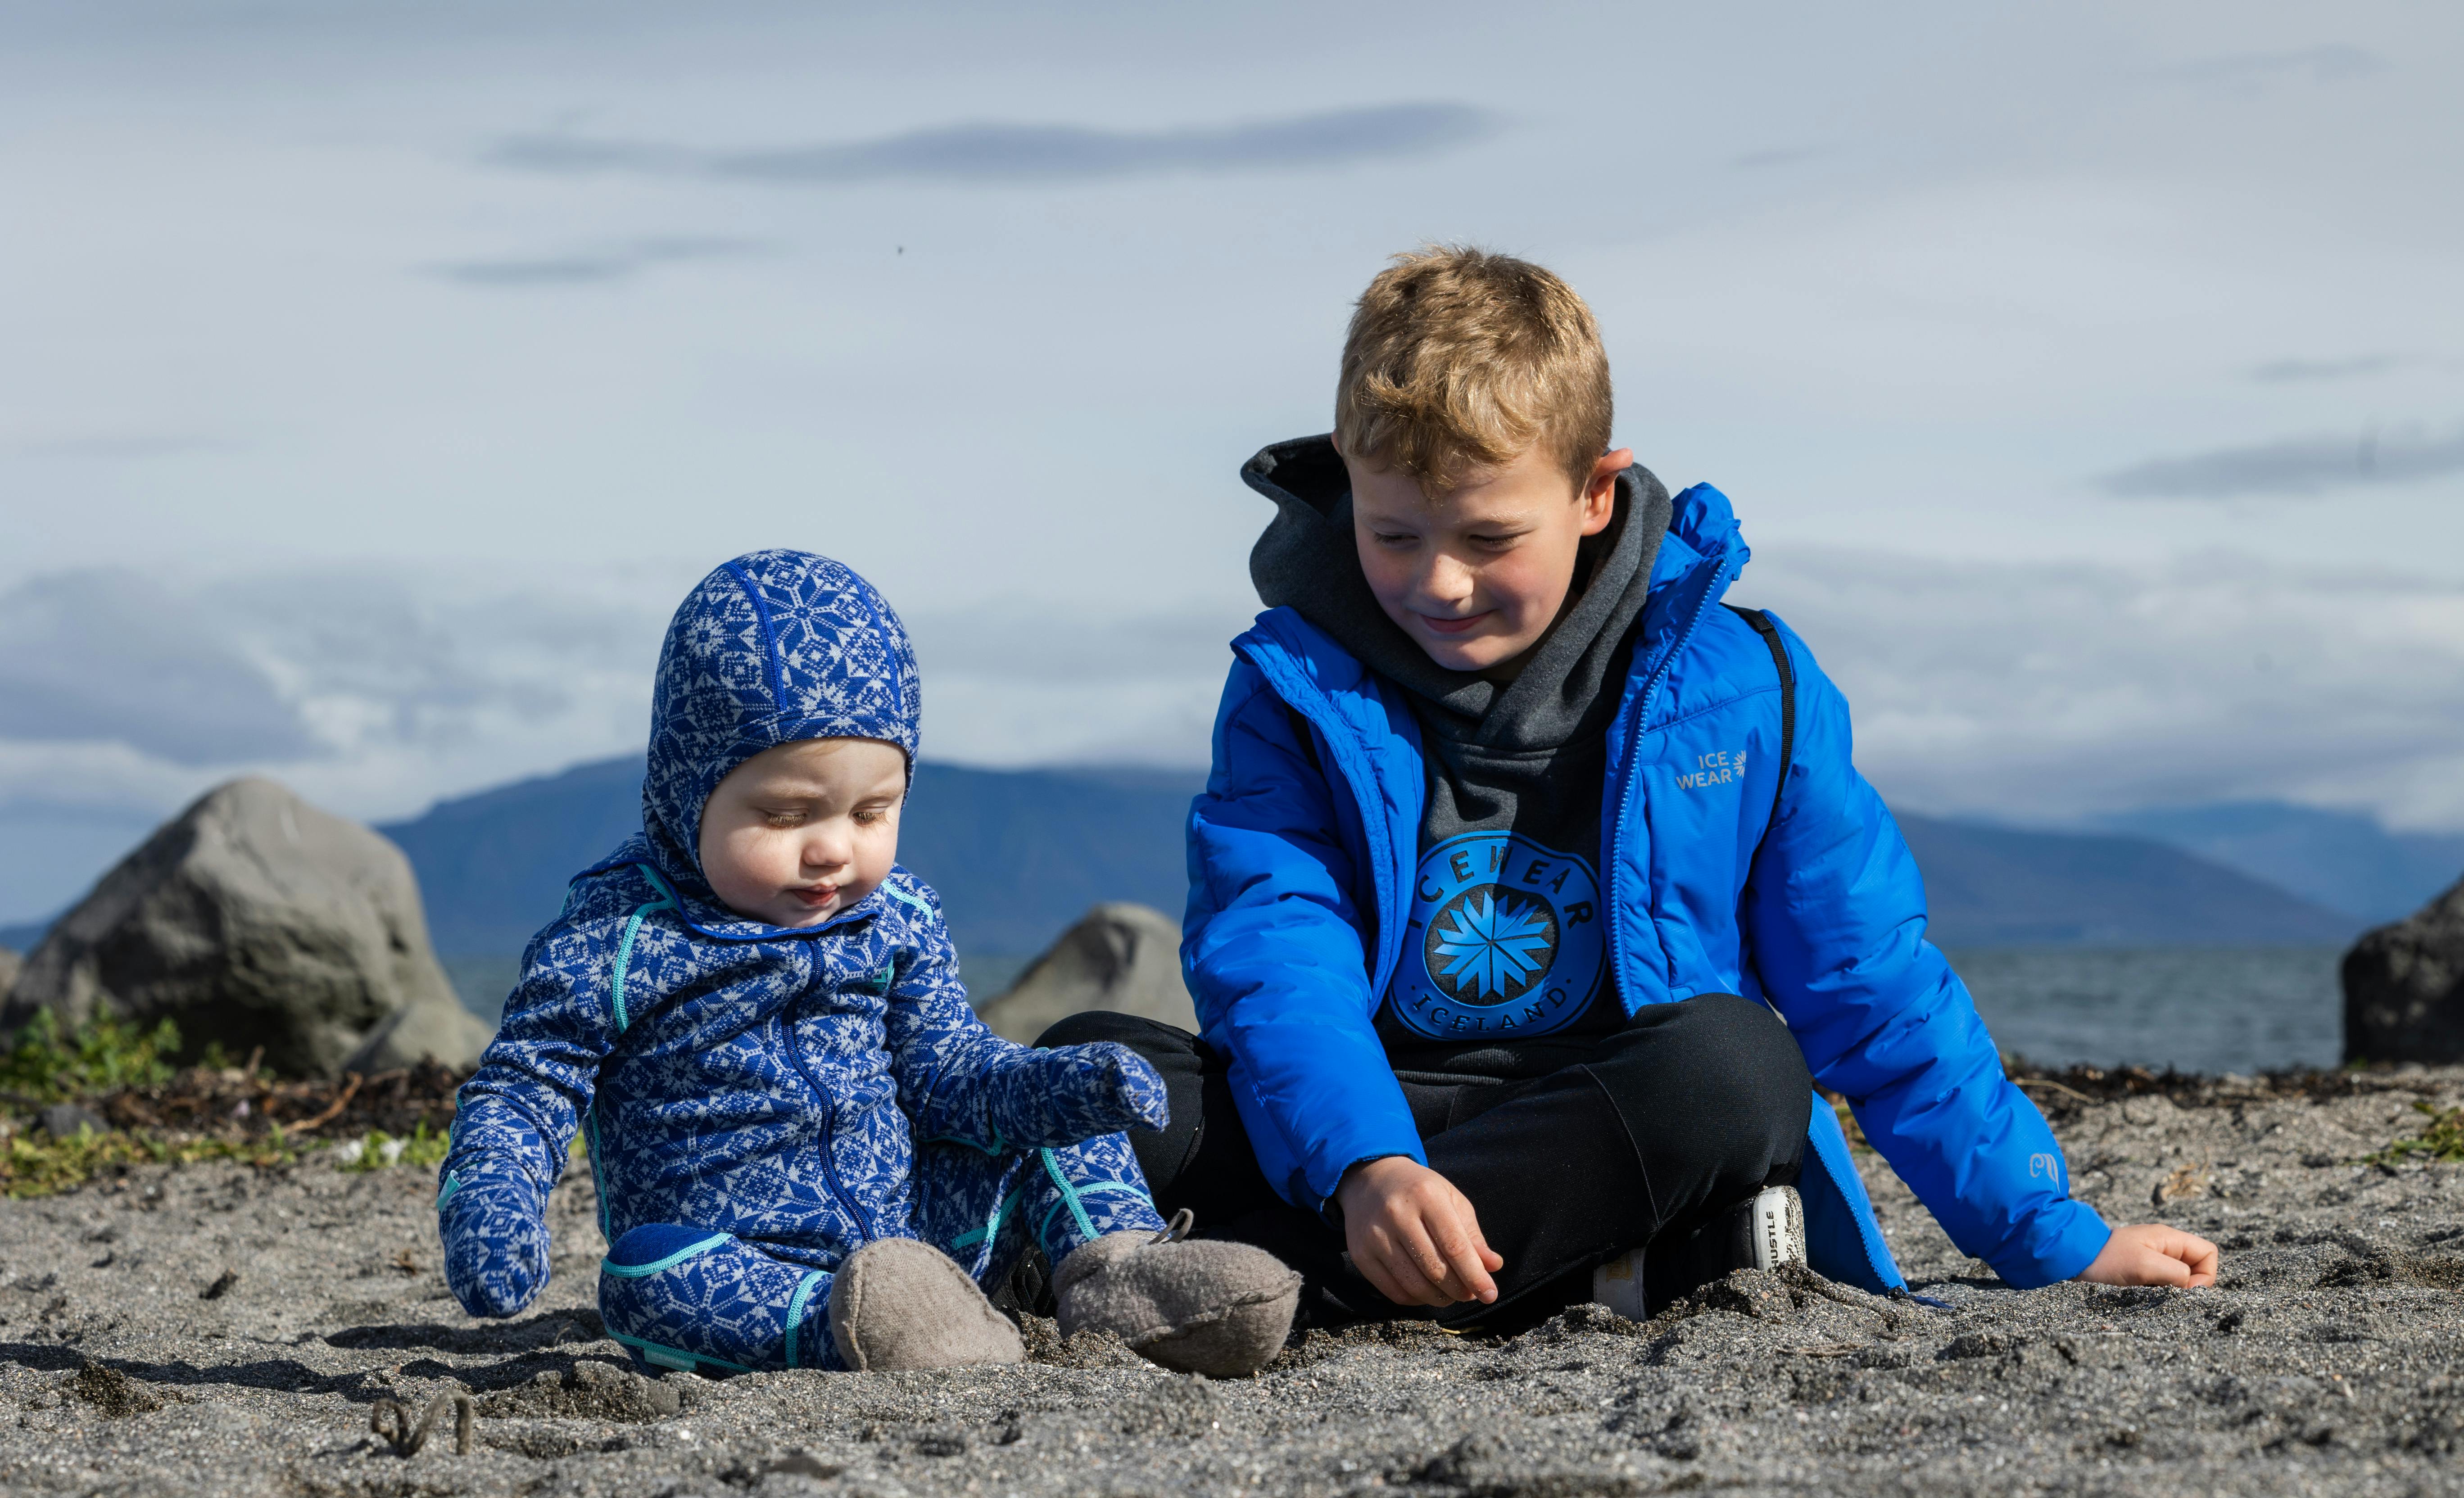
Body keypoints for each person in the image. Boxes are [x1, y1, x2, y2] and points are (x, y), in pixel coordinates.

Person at [1046, 247, 2218, 1328]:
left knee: (1739, 1067)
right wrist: (1369, 1163)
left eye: (1489, 537)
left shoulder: (1750, 686)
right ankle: (1495, 1276)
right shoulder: (1294, 686)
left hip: (1612, 1123)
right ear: (1349, 482)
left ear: (1595, 494)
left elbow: (1870, 983)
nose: (1439, 583)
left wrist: (2053, 1238)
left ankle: (1279, 1286)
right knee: (1093, 1073)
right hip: (1367, 1121)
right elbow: (1275, 949)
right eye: (1395, 536)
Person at [435, 551, 1300, 1376]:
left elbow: (947, 1077)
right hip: (742, 1266)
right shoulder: (618, 933)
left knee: (1054, 1107)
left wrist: (1062, 1088)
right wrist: (496, 1199)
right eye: (783, 816)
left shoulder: (898, 917)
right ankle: (847, 1326)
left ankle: (1117, 1277)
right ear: (685, 786)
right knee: (642, 1279)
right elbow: (530, 1083)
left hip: (918, 1235)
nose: (832, 851)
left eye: (872, 812)